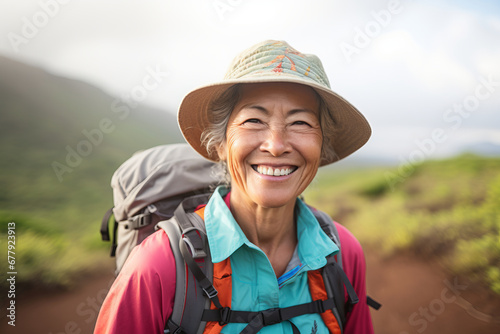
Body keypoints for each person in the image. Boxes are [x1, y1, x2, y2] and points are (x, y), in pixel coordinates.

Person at [95, 40, 374, 333]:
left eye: (301, 123)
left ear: (322, 147)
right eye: (254, 120)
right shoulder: (158, 265)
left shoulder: (342, 253)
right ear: (220, 144)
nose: (276, 146)